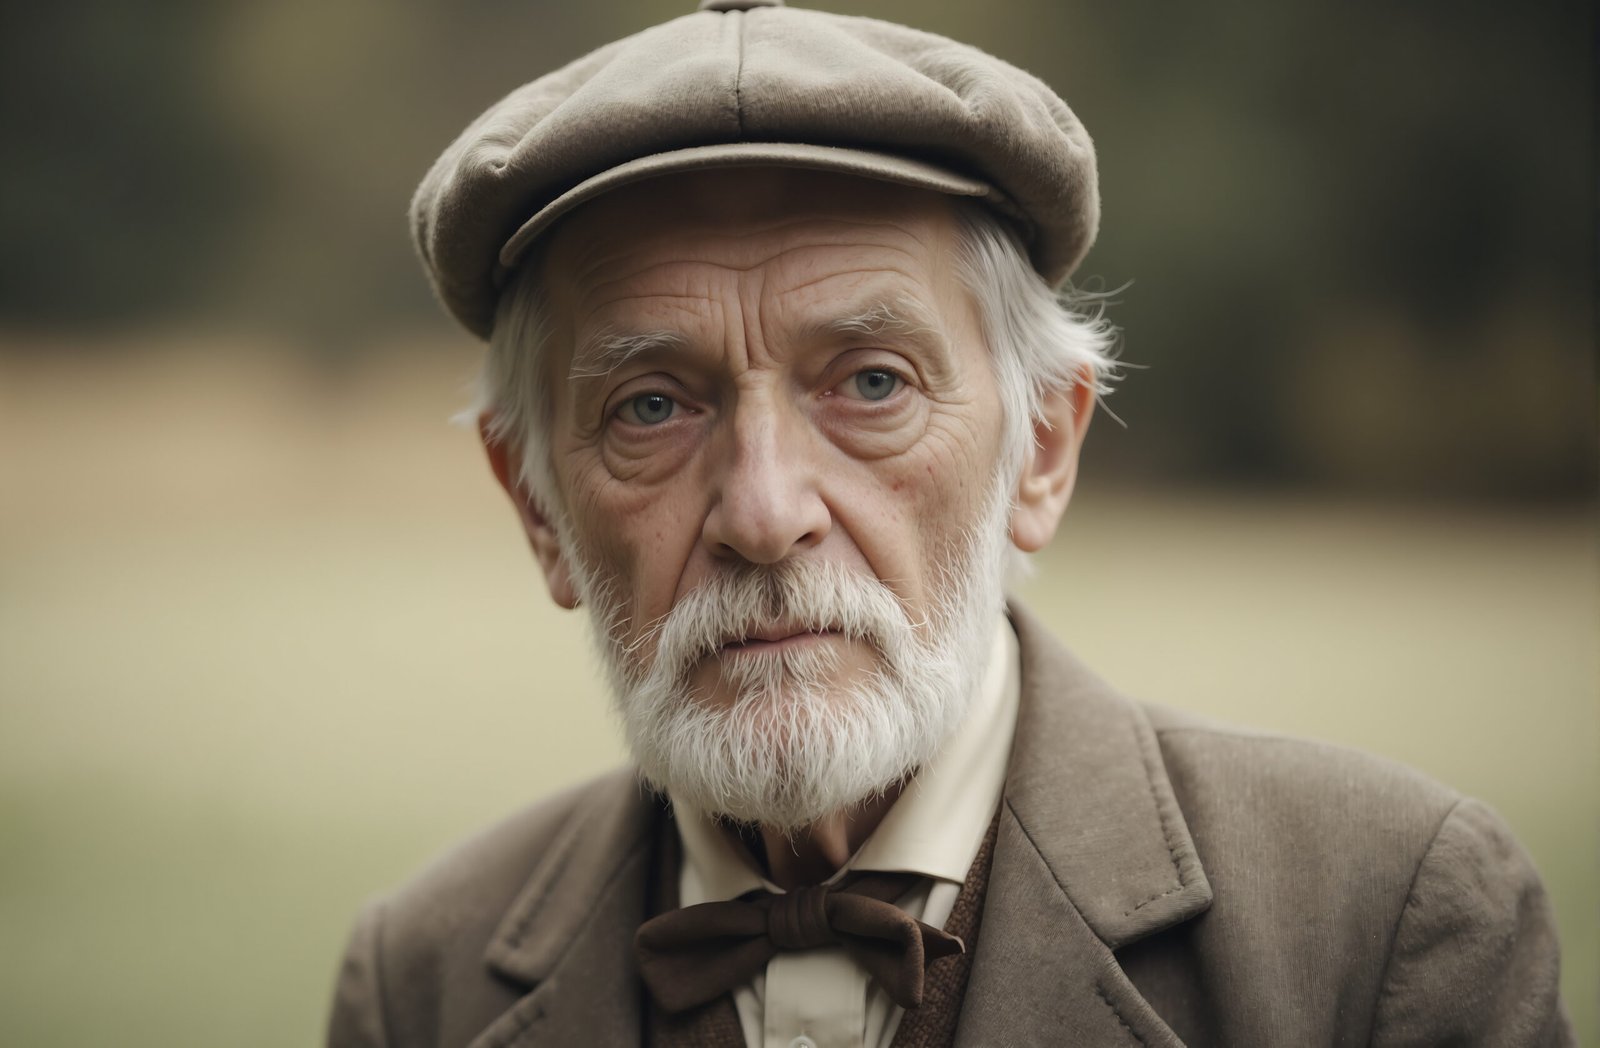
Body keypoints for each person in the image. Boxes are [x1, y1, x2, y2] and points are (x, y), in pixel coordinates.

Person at [327, 1, 1574, 1044]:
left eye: (870, 383)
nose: (764, 515)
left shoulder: (1386, 927)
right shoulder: (419, 986)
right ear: (538, 506)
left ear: (1041, 444)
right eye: (652, 405)